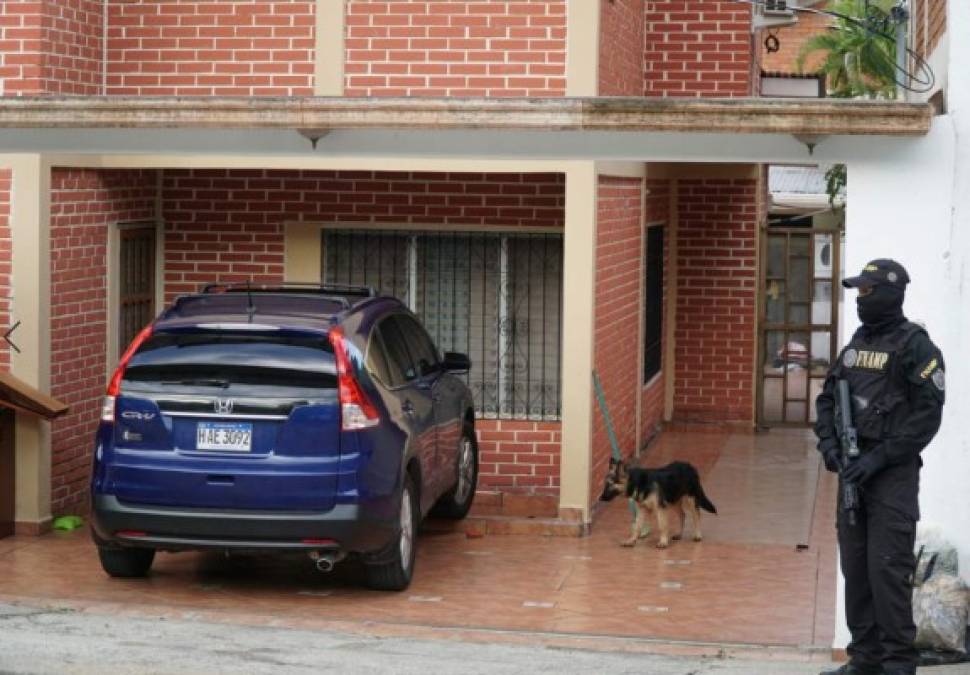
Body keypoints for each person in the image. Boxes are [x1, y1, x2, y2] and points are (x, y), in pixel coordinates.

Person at [815, 259, 945, 675]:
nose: (860, 299)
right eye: (858, 292)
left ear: (891, 293)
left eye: (867, 292)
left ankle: (897, 663)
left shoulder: (916, 345)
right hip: (853, 472)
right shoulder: (855, 345)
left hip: (891, 475)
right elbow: (827, 400)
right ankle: (865, 659)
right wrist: (830, 447)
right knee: (856, 568)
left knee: (887, 568)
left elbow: (927, 415)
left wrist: (879, 457)